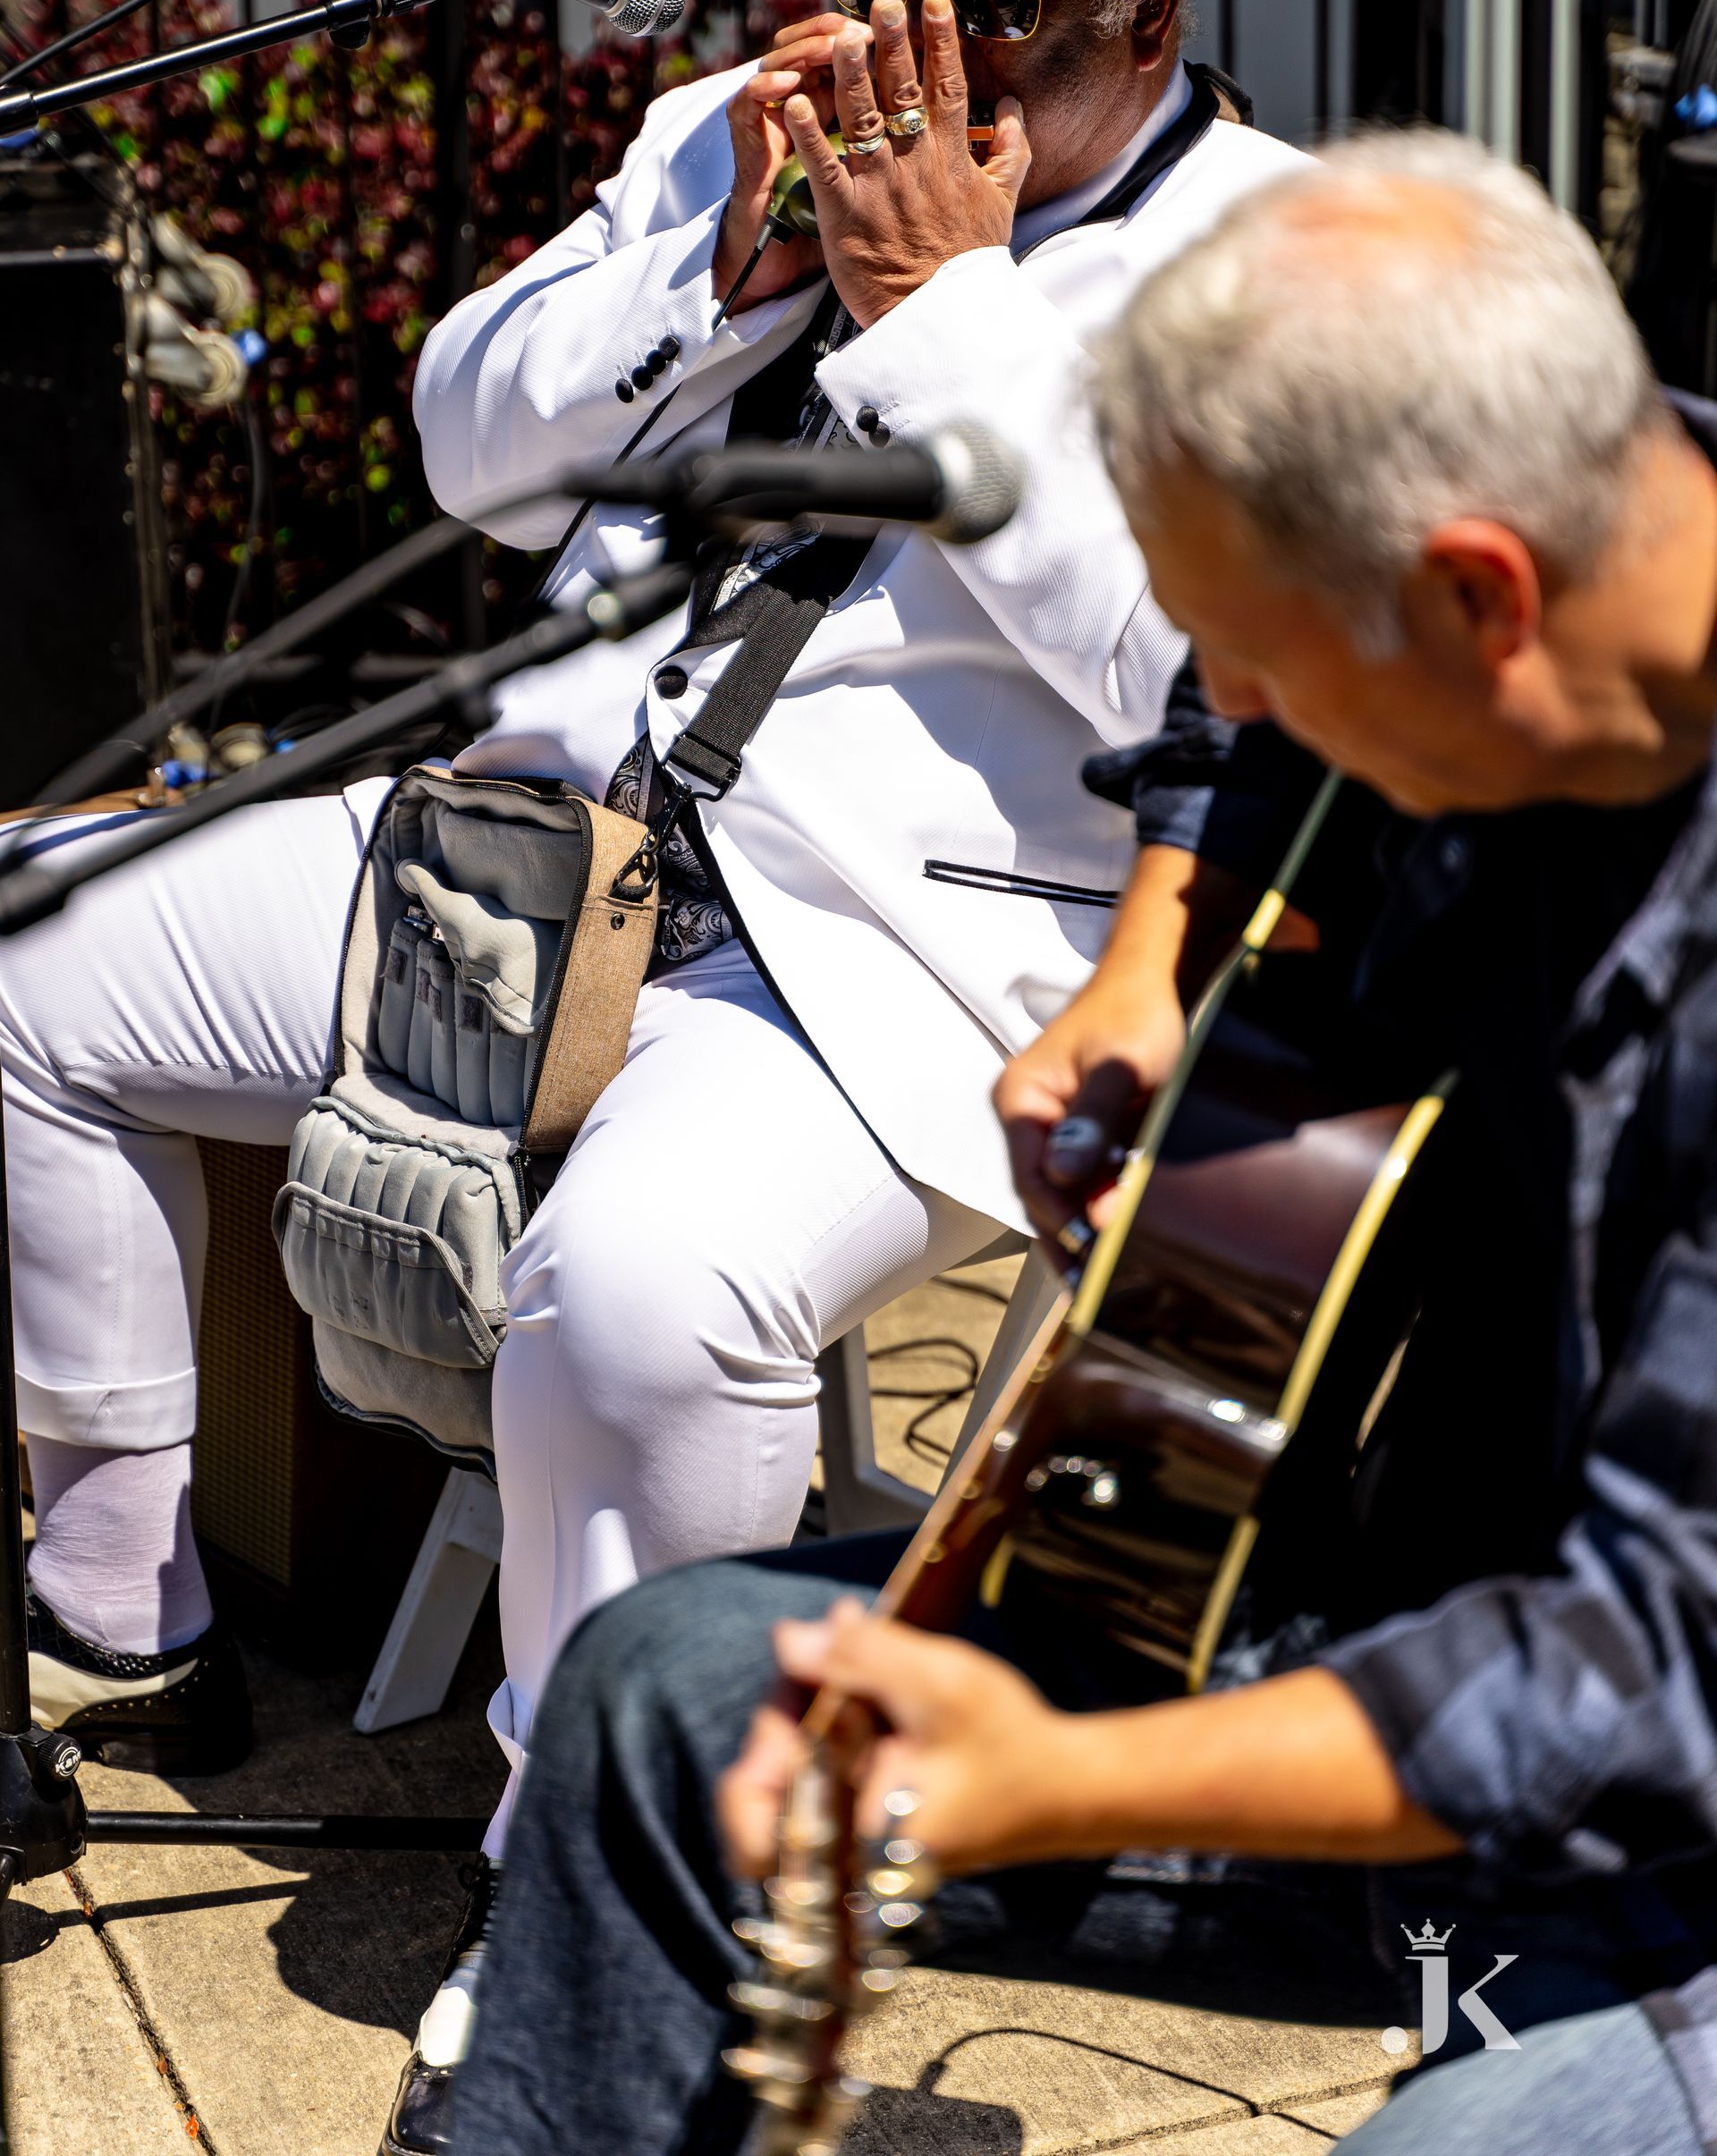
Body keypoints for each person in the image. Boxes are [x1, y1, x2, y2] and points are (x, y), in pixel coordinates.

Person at [0, 0, 1306, 2154]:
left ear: (1154, 7)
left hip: (873, 956)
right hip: (537, 841)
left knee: (637, 1297)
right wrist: (719, 255)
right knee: (26, 963)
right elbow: (471, 454)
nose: (933, 39)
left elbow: (1208, 674)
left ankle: (582, 1903)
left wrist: (937, 306)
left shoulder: (1274, 258)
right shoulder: (738, 129)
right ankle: (126, 1603)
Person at [444, 133, 1717, 2156]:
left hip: (1660, 1819)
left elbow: (1651, 1679)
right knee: (668, 1692)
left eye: (1265, 654)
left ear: (1480, 597)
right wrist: (1149, 968)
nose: (1222, 706)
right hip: (1400, 1640)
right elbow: (1235, 745)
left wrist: (1048, 1781)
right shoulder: (1559, 523)